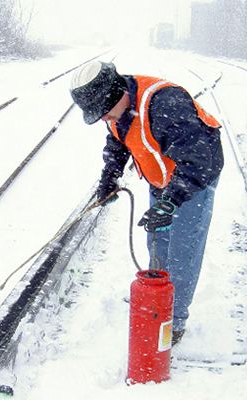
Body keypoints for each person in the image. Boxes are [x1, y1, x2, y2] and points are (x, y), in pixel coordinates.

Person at [69, 61, 224, 344]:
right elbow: (118, 141)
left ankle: (174, 320)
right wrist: (110, 176)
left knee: (182, 249)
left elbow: (197, 161)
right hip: (161, 175)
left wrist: (171, 202)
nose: (105, 119)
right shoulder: (118, 110)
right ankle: (158, 298)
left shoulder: (167, 105)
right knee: (157, 238)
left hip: (193, 178)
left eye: (104, 113)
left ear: (117, 95)